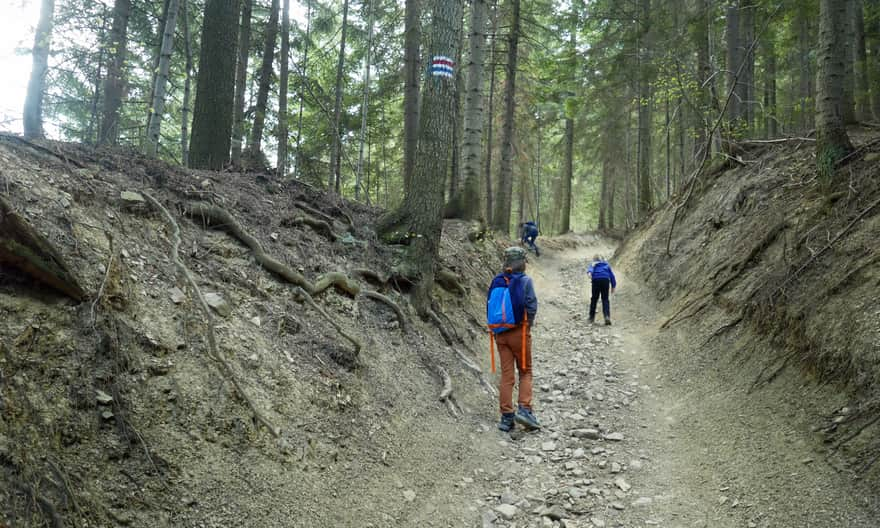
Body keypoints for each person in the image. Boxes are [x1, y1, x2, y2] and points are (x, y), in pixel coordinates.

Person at [488, 247, 540, 432]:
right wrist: (529, 325)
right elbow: (531, 305)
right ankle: (525, 410)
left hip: (500, 334)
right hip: (519, 332)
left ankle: (506, 417)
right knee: (525, 371)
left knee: (507, 376)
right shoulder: (525, 280)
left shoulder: (497, 281)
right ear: (522, 262)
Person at [587, 255, 617, 325]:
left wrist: (589, 274)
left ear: (594, 260)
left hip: (596, 280)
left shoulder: (593, 264)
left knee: (594, 299)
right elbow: (612, 276)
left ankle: (591, 318)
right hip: (605, 280)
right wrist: (613, 286)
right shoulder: (606, 265)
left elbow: (590, 270)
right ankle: (607, 316)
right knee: (605, 299)